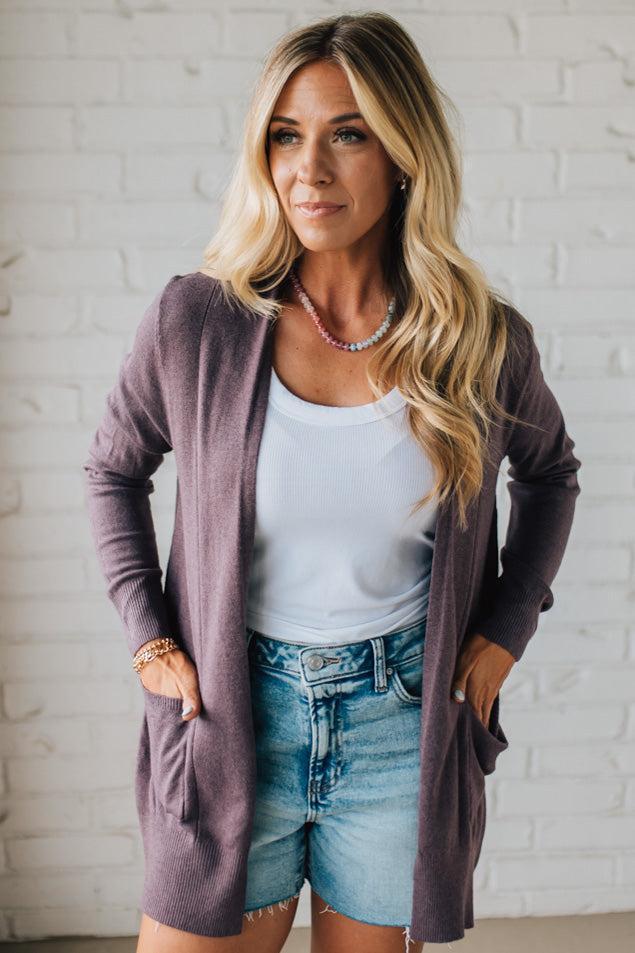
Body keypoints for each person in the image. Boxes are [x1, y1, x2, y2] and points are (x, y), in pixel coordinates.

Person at [83, 12, 582, 953]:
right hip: (232, 714)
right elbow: (115, 467)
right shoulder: (198, 321)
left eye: (346, 133)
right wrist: (147, 634)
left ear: (402, 154)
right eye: (286, 135)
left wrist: (504, 632)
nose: (309, 169)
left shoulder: (476, 341)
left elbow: (549, 474)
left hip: (399, 726)